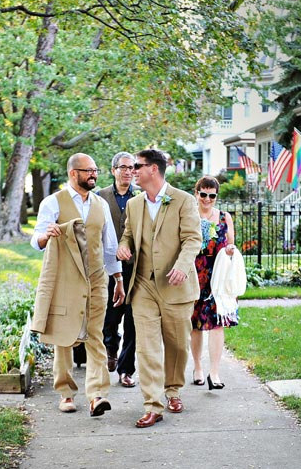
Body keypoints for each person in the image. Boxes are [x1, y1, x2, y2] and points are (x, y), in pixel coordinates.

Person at [30, 153, 124, 417]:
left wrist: (118, 279)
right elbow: (36, 238)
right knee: (65, 335)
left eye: (95, 170)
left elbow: (110, 248)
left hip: (96, 279)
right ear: (74, 173)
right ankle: (66, 393)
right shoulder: (53, 203)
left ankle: (97, 395)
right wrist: (45, 236)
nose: (94, 174)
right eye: (89, 170)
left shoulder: (100, 205)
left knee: (96, 335)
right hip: (66, 280)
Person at [116, 149, 202, 428]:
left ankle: (173, 389)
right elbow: (128, 234)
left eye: (137, 167)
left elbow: (192, 239)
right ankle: (153, 404)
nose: (132, 172)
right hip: (142, 285)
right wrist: (123, 245)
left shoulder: (184, 201)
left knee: (177, 345)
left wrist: (182, 265)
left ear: (153, 169)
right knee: (147, 347)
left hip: (175, 285)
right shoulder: (134, 204)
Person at [190, 176, 236, 390]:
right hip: (194, 274)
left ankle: (214, 372)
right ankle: (198, 366)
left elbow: (231, 246)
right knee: (196, 325)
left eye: (212, 195)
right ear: (196, 193)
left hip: (217, 278)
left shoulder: (225, 218)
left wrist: (229, 250)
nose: (207, 199)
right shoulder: (189, 214)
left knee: (217, 324)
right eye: (203, 194)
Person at [97, 151, 138, 387]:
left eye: (131, 168)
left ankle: (126, 369)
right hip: (107, 267)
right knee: (110, 316)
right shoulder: (100, 198)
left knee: (133, 318)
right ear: (113, 170)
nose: (127, 172)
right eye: (122, 167)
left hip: (134, 268)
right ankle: (110, 346)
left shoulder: (141, 198)